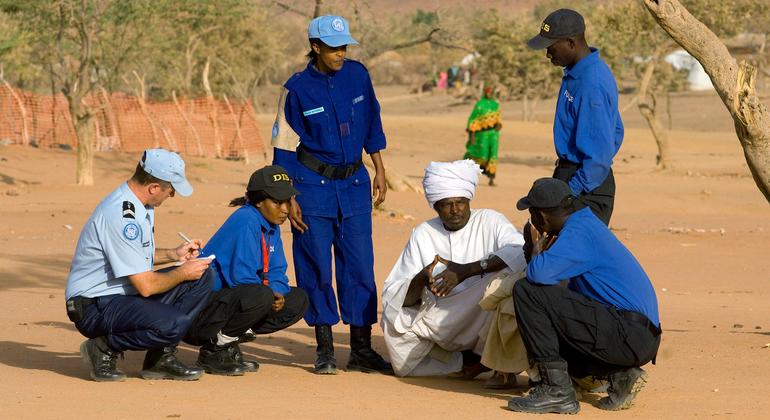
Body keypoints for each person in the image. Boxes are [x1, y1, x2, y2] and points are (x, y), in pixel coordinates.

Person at [270, 15, 392, 375]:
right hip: (311, 188)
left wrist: (380, 168)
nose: (341, 53)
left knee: (359, 266)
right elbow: (284, 146)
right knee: (315, 266)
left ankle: (361, 348)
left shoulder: (358, 75)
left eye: (345, 46)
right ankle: (324, 349)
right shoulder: (295, 89)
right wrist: (288, 195)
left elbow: (372, 121)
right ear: (315, 47)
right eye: (334, 47)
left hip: (354, 185)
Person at [506, 178, 661, 414]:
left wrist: (536, 249)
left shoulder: (578, 234)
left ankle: (556, 391)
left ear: (541, 217)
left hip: (629, 334)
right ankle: (621, 375)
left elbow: (537, 276)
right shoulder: (584, 223)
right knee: (549, 317)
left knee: (526, 292)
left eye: (532, 215)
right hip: (636, 336)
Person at [65, 149, 213, 382]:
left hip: (119, 297)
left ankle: (160, 359)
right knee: (175, 323)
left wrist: (174, 254)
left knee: (202, 277)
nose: (172, 195)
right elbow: (146, 286)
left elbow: (133, 255)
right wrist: (182, 272)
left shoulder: (141, 205)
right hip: (93, 304)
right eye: (170, 189)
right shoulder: (122, 215)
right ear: (154, 187)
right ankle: (103, 347)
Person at [380, 160, 527, 377]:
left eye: (460, 202)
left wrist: (467, 270)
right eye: (446, 204)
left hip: (483, 311)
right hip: (441, 317)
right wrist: (422, 278)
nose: (455, 210)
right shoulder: (423, 233)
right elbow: (400, 297)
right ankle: (466, 361)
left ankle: (495, 360)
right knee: (394, 319)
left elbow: (519, 250)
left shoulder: (490, 220)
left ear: (469, 200)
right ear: (436, 206)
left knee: (509, 280)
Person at [183, 165, 309, 376]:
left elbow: (278, 270)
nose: (285, 209)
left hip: (233, 298)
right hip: (199, 310)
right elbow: (241, 276)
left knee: (298, 299)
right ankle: (215, 349)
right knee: (258, 294)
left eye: (287, 201)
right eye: (277, 202)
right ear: (259, 201)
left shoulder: (270, 225)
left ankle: (229, 341)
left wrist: (277, 291)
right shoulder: (246, 220)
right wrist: (269, 294)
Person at [527, 9, 624, 225]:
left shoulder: (592, 82)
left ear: (570, 43)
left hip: (585, 185)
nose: (547, 54)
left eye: (550, 48)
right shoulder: (577, 74)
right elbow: (616, 130)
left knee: (566, 254)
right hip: (571, 175)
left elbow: (600, 155)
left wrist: (571, 191)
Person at [464, 86, 502, 186]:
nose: (489, 93)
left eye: (491, 92)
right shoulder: (480, 105)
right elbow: (473, 119)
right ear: (484, 92)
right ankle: (469, 174)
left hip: (494, 135)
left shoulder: (495, 105)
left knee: (492, 154)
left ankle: (491, 178)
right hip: (482, 135)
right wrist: (471, 135)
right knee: (482, 154)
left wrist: (499, 125)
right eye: (487, 92)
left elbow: (498, 119)